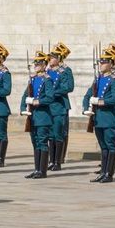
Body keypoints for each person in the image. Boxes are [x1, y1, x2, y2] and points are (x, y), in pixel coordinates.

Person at [82, 49, 115, 183]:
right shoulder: (98, 79)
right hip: (98, 118)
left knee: (111, 146)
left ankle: (109, 174)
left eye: (104, 62)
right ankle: (103, 172)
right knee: (103, 146)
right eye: (101, 61)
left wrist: (100, 102)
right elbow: (88, 94)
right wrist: (85, 107)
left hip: (109, 118)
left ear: (111, 64)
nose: (101, 64)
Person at [21, 51, 55, 178]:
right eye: (35, 63)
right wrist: (23, 107)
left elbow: (50, 97)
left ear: (44, 65)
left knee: (42, 142)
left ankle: (42, 171)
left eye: (39, 63)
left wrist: (36, 101)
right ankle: (36, 169)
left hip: (43, 117)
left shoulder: (47, 80)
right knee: (35, 142)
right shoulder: (32, 79)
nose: (36, 65)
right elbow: (25, 95)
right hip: (33, 116)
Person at [46, 42, 74, 171]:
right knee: (50, 135)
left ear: (58, 59)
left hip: (59, 106)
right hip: (48, 107)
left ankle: (58, 161)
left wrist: (52, 93)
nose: (49, 59)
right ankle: (51, 161)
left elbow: (68, 87)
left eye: (52, 57)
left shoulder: (65, 71)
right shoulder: (47, 71)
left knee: (58, 134)